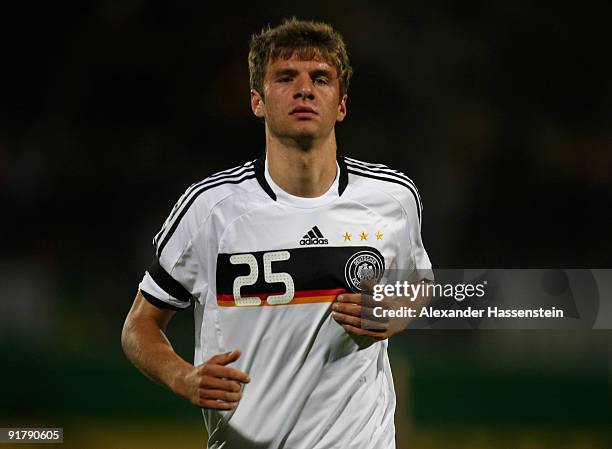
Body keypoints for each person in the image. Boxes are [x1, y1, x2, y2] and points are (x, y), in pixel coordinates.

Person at [121, 17, 433, 449]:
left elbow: (419, 284)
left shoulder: (393, 199)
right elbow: (139, 325)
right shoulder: (210, 210)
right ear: (257, 101)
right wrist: (183, 377)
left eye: (320, 79)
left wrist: (395, 310)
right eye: (286, 77)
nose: (304, 89)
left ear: (341, 104)